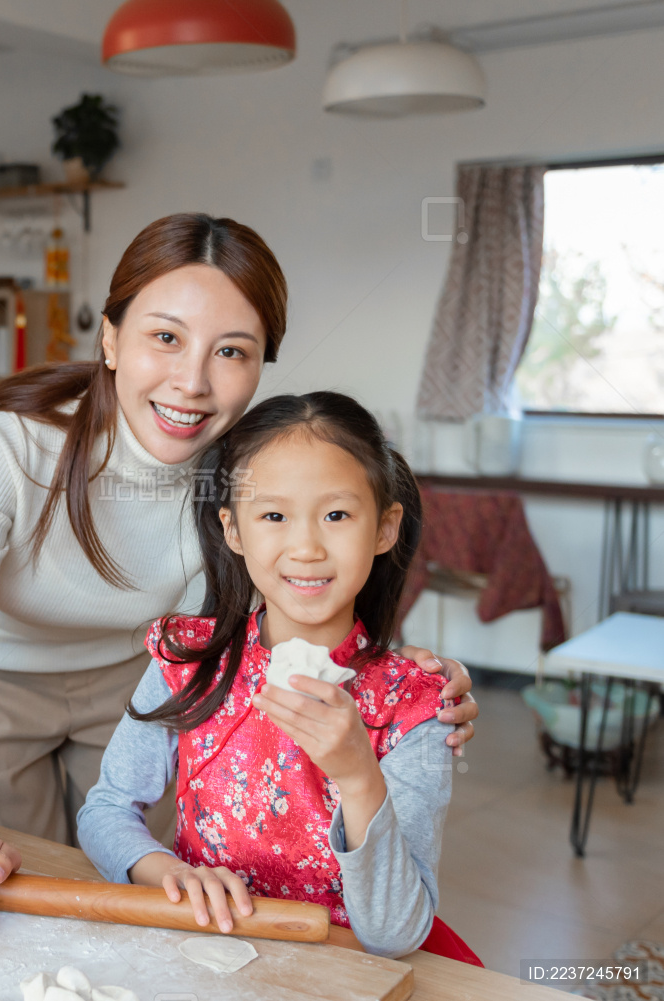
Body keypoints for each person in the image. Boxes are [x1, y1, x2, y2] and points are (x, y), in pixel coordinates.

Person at [0, 214, 480, 940]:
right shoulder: (9, 447)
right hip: (0, 687)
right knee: (21, 900)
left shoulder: (243, 478)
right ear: (110, 338)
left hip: (143, 677)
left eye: (231, 350)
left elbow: (312, 576)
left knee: (164, 904)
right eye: (164, 337)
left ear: (262, 362)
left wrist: (407, 677)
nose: (192, 383)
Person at [76, 391, 480, 963]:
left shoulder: (415, 704)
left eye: (337, 515)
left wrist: (359, 774)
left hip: (337, 972)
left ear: (386, 528)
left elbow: (395, 932)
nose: (307, 547)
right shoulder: (188, 660)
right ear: (234, 531)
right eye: (273, 515)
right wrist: (165, 871)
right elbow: (106, 809)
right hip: (206, 954)